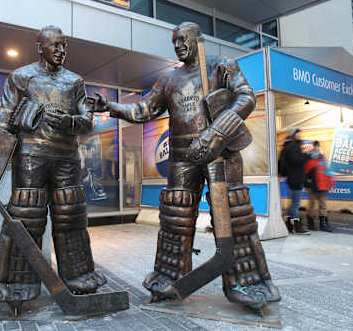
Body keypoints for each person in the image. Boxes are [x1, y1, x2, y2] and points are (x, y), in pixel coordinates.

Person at [93, 21, 280, 309]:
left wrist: (216, 133)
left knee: (234, 216)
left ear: (197, 38)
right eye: (174, 41)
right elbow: (144, 109)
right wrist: (112, 107)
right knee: (175, 218)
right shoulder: (169, 79)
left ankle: (250, 282)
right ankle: (169, 276)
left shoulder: (222, 66)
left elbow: (245, 97)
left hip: (221, 150)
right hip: (182, 156)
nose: (178, 45)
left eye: (183, 39)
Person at [0, 26, 106, 308]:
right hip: (30, 156)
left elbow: (87, 120)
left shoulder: (75, 81)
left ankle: (79, 273)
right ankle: (19, 281)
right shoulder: (20, 76)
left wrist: (68, 121)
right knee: (27, 216)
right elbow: (4, 119)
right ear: (40, 47)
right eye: (55, 45)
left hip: (66, 156)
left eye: (64, 46)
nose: (61, 51)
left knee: (71, 215)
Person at [279, 127, 310, 234]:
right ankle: (297, 227)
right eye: (298, 133)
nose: (300, 135)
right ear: (293, 134)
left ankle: (288, 224)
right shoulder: (293, 146)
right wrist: (306, 155)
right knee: (296, 203)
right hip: (296, 178)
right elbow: (296, 161)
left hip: (291, 178)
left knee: (293, 202)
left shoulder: (287, 146)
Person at [305, 141, 334, 232]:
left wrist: (330, 183)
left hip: (322, 186)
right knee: (312, 206)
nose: (317, 148)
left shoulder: (323, 159)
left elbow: (327, 173)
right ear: (313, 147)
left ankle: (323, 224)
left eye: (318, 146)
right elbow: (305, 174)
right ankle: (311, 223)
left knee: (323, 206)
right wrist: (307, 184)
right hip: (313, 187)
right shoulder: (309, 160)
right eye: (315, 146)